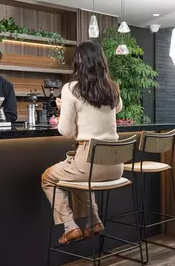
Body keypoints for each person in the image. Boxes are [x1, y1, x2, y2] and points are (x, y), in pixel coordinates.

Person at [40, 42, 124, 244]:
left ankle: (70, 227)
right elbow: (118, 108)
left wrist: (64, 109)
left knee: (48, 178)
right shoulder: (112, 87)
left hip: (88, 162)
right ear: (102, 62)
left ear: (78, 62)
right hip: (116, 166)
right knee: (78, 176)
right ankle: (93, 221)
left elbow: (66, 131)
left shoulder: (70, 88)